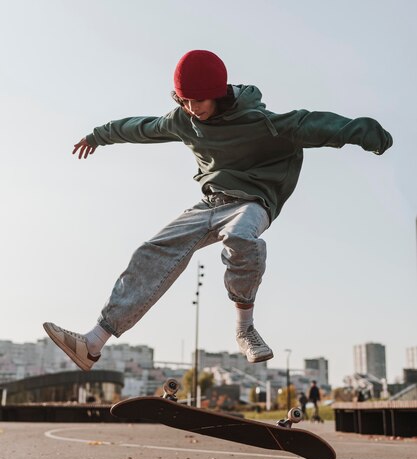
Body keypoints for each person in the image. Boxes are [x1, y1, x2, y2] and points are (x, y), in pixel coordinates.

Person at [43, 49, 393, 372]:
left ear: (219, 93)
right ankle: (92, 343)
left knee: (241, 237)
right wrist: (99, 136)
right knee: (151, 252)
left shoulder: (258, 120)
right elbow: (141, 127)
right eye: (186, 101)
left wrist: (364, 132)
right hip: (210, 203)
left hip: (253, 202)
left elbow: (311, 124)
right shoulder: (182, 119)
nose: (194, 108)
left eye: (200, 100)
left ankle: (245, 329)